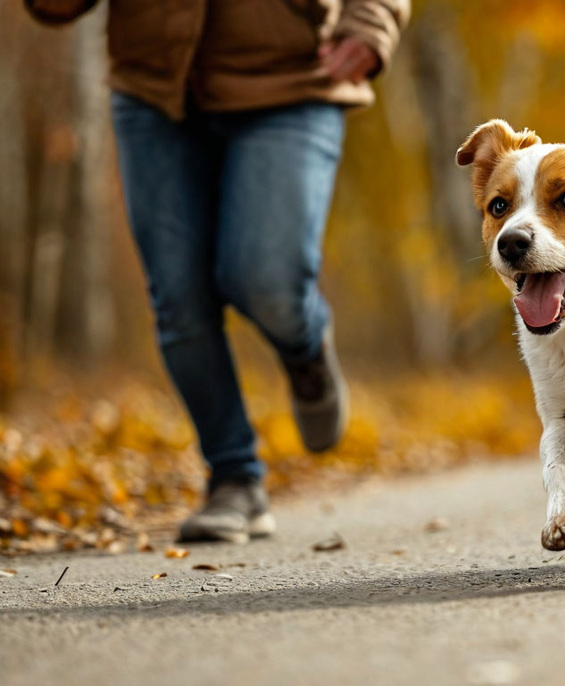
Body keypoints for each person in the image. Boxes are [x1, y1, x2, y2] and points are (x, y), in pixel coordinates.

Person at [25, 0, 410, 544]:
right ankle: (234, 478)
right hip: (154, 87)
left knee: (266, 279)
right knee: (179, 297)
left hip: (292, 75)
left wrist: (372, 21)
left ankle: (304, 345)